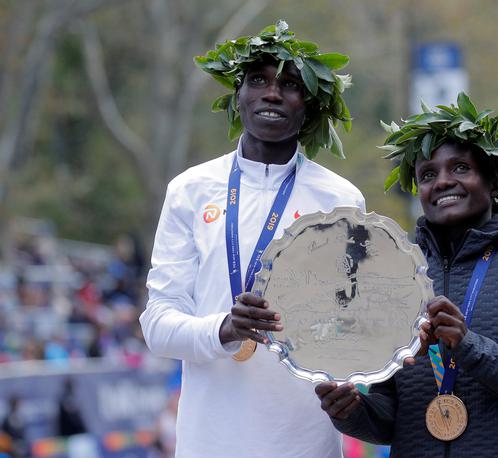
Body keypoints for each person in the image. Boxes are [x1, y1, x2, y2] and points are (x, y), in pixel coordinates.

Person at [315, 94, 498, 456]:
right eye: (428, 175)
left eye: (461, 168)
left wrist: (470, 348)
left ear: (494, 182)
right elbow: (390, 417)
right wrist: (352, 412)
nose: (443, 181)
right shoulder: (395, 273)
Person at [139, 21, 364, 457]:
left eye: (292, 85)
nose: (273, 93)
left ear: (311, 108)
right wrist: (224, 328)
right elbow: (157, 325)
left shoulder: (340, 199)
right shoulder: (190, 189)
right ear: (237, 97)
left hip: (306, 442)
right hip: (210, 441)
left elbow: (353, 323)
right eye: (258, 80)